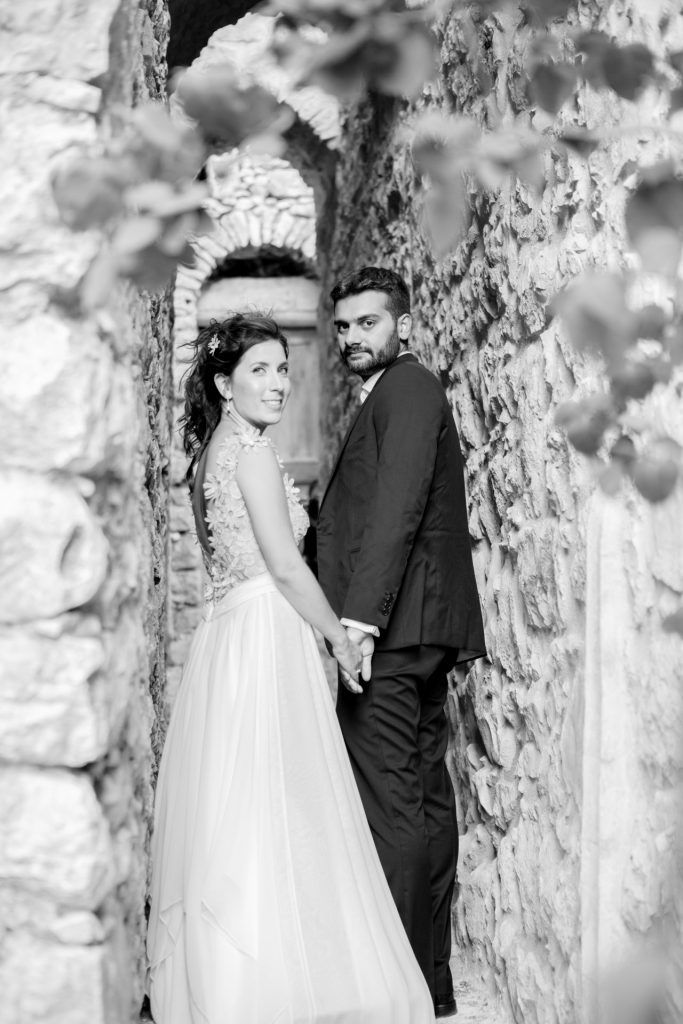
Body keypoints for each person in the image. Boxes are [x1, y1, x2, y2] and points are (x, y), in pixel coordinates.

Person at [146, 312, 435, 1024]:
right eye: (261, 371)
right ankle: (275, 981)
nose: (279, 384)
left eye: (284, 368)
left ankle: (228, 976)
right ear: (223, 382)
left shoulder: (211, 454)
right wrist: (337, 638)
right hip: (265, 634)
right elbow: (281, 565)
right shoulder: (247, 454)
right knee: (281, 801)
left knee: (239, 801)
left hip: (226, 636)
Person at [316, 268, 487, 1020]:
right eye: (345, 326)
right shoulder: (391, 393)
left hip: (392, 633)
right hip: (416, 629)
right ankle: (427, 984)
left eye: (368, 324)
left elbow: (394, 510)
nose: (353, 338)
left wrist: (358, 623)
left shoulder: (408, 390)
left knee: (391, 807)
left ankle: (399, 988)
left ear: (404, 326)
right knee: (419, 800)